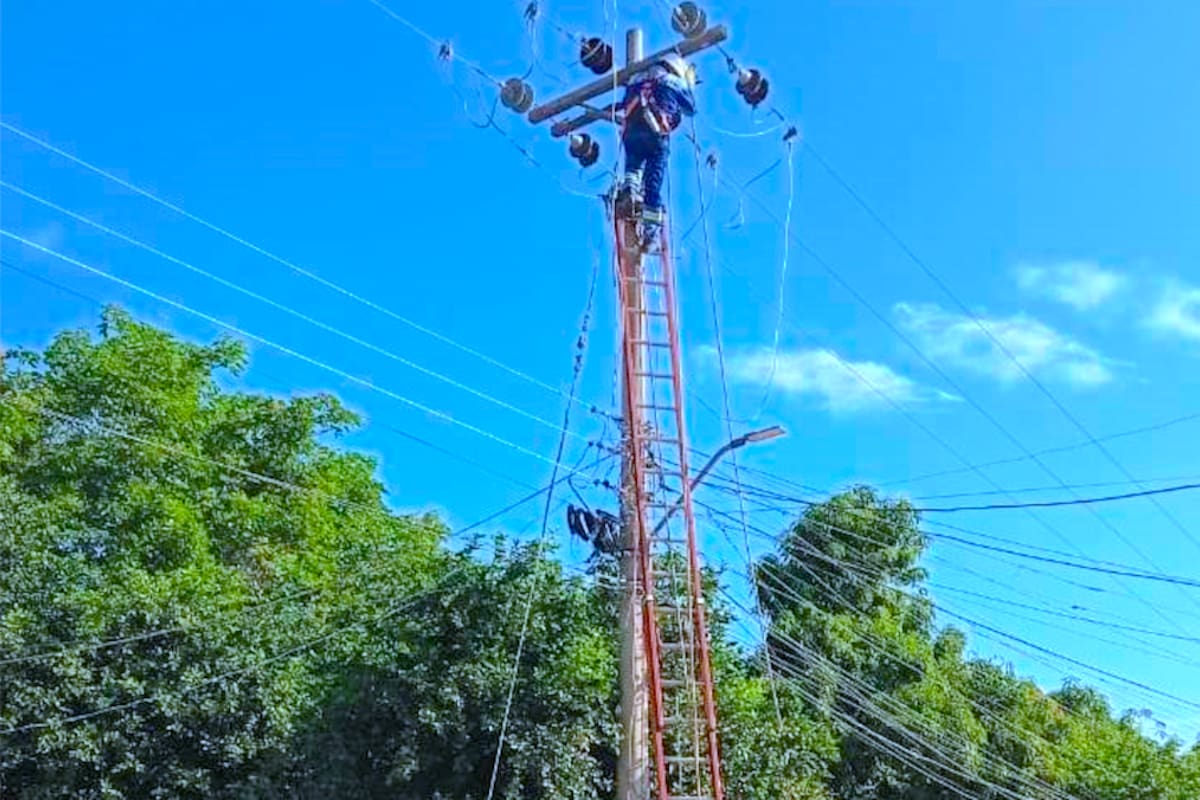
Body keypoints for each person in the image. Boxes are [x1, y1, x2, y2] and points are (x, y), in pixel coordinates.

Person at [615, 52, 697, 248]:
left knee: (633, 165)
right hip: (655, 134)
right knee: (653, 184)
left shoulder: (635, 81)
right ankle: (650, 229)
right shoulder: (672, 81)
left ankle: (630, 191)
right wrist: (688, 84)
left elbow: (623, 103)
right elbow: (691, 108)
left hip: (632, 132)